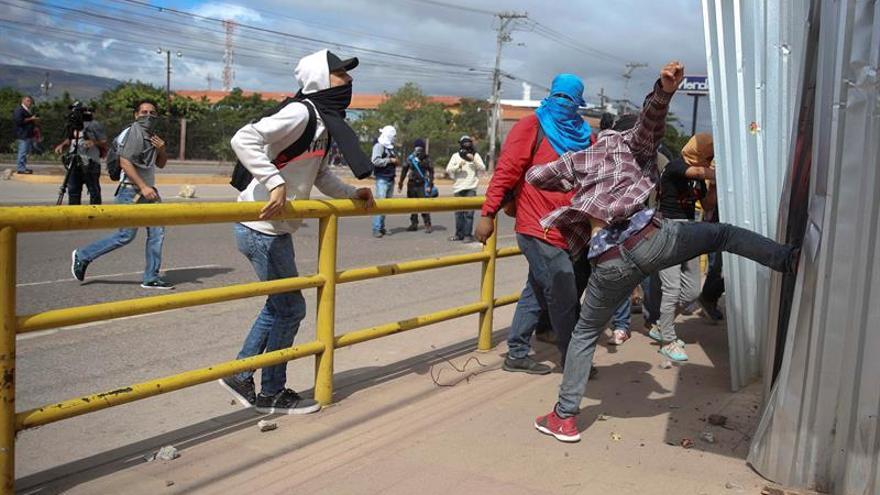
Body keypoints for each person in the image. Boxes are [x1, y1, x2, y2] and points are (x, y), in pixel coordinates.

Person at [527, 61, 800, 442]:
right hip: (651, 240)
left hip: (607, 261)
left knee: (586, 331)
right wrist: (665, 91)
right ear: (626, 135)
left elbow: (536, 177)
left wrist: (577, 178)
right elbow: (649, 123)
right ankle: (789, 260)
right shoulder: (632, 144)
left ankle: (564, 417)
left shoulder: (584, 157)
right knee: (722, 235)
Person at [219, 49, 375, 415]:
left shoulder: (323, 122)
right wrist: (274, 183)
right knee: (290, 308)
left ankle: (250, 379)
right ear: (321, 79)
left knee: (281, 306)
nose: (349, 82)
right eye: (340, 75)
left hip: (273, 228)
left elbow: (318, 174)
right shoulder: (301, 112)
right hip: (261, 226)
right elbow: (244, 138)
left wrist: (353, 193)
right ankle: (262, 385)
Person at [475, 73, 594, 374]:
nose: (563, 104)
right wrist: (487, 213)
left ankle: (516, 352)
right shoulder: (532, 125)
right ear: (551, 95)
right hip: (536, 226)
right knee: (564, 292)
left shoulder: (585, 134)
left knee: (537, 290)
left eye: (570, 99)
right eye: (560, 97)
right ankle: (574, 361)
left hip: (568, 231)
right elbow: (507, 170)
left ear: (579, 103)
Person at [71, 100, 174, 289]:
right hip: (130, 191)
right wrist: (143, 187)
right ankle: (83, 255)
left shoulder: (150, 135)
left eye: (152, 113)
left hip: (148, 191)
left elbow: (161, 164)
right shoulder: (131, 133)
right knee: (125, 236)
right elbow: (125, 162)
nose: (148, 116)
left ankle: (151, 277)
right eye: (144, 112)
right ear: (136, 115)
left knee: (157, 233)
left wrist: (161, 149)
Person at [647, 133, 715, 361]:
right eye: (709, 153)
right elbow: (695, 172)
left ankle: (660, 326)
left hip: (689, 231)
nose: (711, 158)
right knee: (672, 288)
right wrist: (726, 172)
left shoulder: (702, 173)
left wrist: (713, 186)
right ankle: (667, 340)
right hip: (668, 229)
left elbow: (706, 204)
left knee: (692, 291)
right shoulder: (677, 166)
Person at [55, 111, 108, 205]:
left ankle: (95, 214)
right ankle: (74, 213)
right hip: (74, 161)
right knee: (73, 190)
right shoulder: (72, 125)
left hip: (91, 161)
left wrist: (93, 142)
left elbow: (104, 141)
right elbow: (70, 139)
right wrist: (62, 145)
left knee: (93, 190)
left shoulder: (93, 125)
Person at [446, 135, 486, 242]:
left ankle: (467, 235)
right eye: (464, 142)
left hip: (471, 188)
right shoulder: (455, 156)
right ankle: (459, 234)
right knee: (458, 213)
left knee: (469, 213)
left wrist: (473, 160)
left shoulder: (475, 155)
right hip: (458, 188)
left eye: (469, 142)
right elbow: (448, 169)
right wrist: (458, 166)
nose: (467, 144)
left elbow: (483, 168)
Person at [398, 138, 434, 233]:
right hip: (411, 184)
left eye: (420, 148)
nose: (418, 149)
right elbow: (404, 169)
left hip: (422, 184)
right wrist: (401, 182)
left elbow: (431, 171)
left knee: (424, 206)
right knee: (412, 206)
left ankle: (427, 224)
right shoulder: (411, 158)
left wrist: (430, 185)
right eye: (417, 147)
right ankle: (414, 224)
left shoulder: (426, 158)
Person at [371, 125, 398, 238]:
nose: (395, 138)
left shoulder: (390, 148)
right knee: (380, 204)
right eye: (393, 136)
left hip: (390, 178)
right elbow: (375, 160)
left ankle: (381, 227)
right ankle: (376, 228)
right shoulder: (379, 146)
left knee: (386, 206)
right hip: (382, 179)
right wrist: (390, 160)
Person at [12, 95, 38, 174]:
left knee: (25, 152)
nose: (30, 103)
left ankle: (23, 167)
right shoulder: (19, 109)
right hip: (22, 134)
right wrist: (31, 118)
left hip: (27, 134)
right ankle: (20, 169)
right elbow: (19, 121)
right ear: (23, 101)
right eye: (28, 101)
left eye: (30, 101)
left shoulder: (26, 110)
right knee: (22, 151)